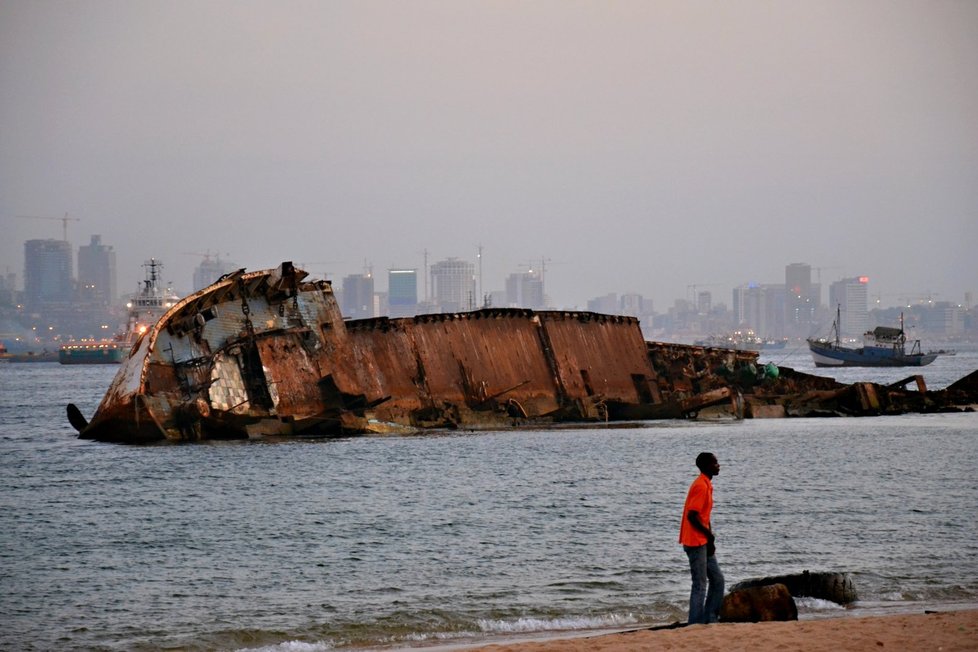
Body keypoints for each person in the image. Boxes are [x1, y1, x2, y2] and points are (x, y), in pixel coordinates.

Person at [679, 452, 724, 624]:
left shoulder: (707, 485)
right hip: (695, 541)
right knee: (699, 584)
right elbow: (692, 516)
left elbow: (704, 516)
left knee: (718, 580)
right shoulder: (700, 486)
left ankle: (710, 618)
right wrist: (708, 536)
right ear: (706, 466)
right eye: (715, 463)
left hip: (704, 540)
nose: (718, 465)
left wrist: (710, 539)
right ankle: (695, 623)